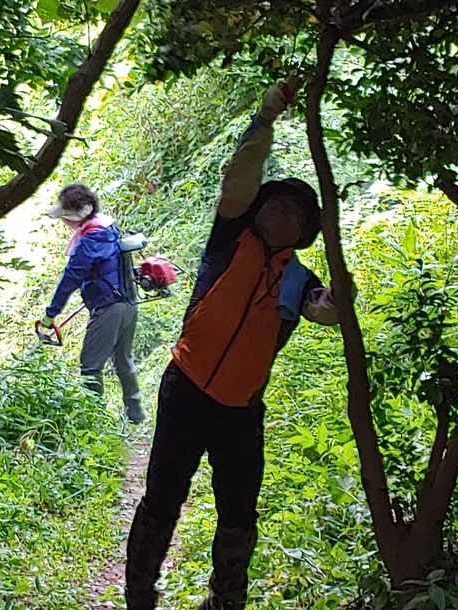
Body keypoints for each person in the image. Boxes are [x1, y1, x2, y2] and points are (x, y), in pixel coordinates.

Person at [124, 82, 341, 610]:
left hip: (240, 410)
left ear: (309, 230)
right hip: (186, 388)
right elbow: (240, 174)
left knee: (239, 512)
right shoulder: (230, 239)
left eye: (297, 213)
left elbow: (326, 311)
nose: (283, 215)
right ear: (260, 209)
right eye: (277, 205)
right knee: (162, 497)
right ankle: (138, 594)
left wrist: (340, 294)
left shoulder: (299, 279)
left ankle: (225, 602)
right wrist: (266, 116)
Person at [41, 184, 145, 424]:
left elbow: (70, 280)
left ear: (75, 216)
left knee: (90, 365)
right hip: (129, 303)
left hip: (109, 308)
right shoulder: (108, 226)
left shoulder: (89, 240)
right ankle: (136, 414)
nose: (64, 221)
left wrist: (50, 315)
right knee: (123, 359)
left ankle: (94, 422)